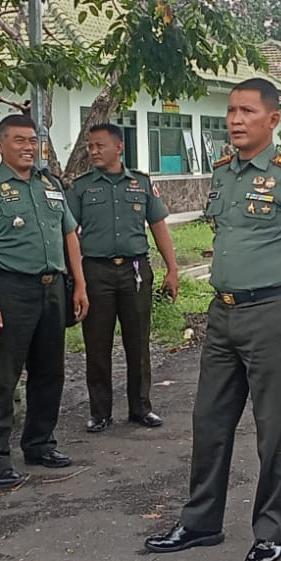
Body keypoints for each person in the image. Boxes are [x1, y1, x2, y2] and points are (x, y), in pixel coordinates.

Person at [144, 78, 281, 561]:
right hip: (223, 315)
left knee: (274, 429)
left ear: (272, 120)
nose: (235, 119)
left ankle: (271, 532)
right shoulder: (224, 173)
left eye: (247, 111)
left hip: (273, 314)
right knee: (209, 421)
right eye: (231, 110)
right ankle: (201, 522)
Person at [0, 113, 89, 488]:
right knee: (0, 377)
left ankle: (39, 443)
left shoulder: (49, 185)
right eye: (19, 140)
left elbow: (70, 237)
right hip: (11, 290)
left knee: (50, 373)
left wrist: (79, 285)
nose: (28, 147)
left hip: (52, 289)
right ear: (1, 145)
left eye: (32, 140)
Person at [72, 122, 180, 433]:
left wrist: (172, 269)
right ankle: (100, 412)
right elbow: (69, 234)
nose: (93, 151)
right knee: (97, 343)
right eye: (90, 146)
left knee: (138, 342)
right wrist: (76, 278)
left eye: (99, 145)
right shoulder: (81, 187)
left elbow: (158, 226)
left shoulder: (141, 184)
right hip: (96, 271)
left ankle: (141, 408)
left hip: (134, 272)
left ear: (119, 147)